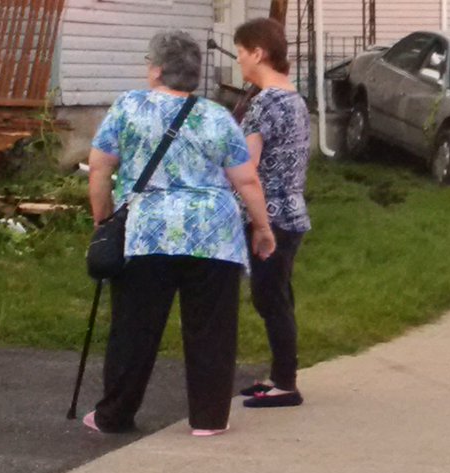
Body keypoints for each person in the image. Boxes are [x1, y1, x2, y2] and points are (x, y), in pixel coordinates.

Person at [85, 30, 276, 436]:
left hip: (147, 233)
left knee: (133, 329)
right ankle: (208, 419)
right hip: (213, 235)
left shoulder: (128, 108)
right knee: (211, 329)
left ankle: (114, 415)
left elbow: (100, 168)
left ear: (156, 70)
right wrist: (262, 229)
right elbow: (247, 182)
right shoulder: (217, 117)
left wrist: (102, 220)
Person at [234, 18, 312, 408]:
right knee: (279, 296)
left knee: (270, 299)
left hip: (270, 217)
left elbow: (247, 167)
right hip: (293, 213)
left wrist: (257, 222)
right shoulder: (294, 98)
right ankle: (281, 375)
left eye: (241, 53)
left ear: (258, 53)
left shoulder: (263, 103)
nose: (239, 61)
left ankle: (285, 385)